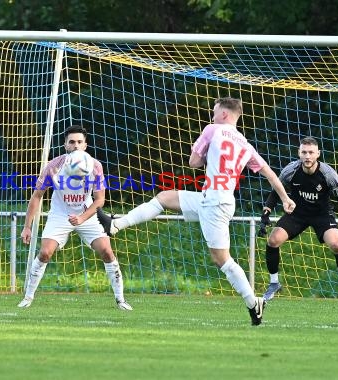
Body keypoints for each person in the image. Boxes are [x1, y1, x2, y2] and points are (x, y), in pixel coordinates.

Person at [99, 97, 296, 325]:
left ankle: (253, 303)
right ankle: (115, 225)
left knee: (222, 259)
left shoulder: (213, 130)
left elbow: (193, 162)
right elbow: (270, 173)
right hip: (212, 199)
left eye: (214, 112)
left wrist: (205, 156)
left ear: (224, 114)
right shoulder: (245, 144)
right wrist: (285, 198)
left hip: (214, 202)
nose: (212, 115)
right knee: (164, 197)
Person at [17, 125, 133, 311]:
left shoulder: (95, 166)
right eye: (72, 142)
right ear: (65, 145)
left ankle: (121, 300)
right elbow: (37, 196)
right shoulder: (54, 166)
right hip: (59, 214)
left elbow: (100, 199)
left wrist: (82, 217)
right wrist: (27, 226)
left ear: (85, 145)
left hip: (86, 214)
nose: (76, 145)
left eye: (80, 142)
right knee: (45, 253)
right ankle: (28, 298)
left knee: (107, 251)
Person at [258, 136, 338, 302]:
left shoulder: (328, 174)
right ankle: (274, 283)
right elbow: (275, 192)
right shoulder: (290, 170)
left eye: (311, 152)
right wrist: (265, 215)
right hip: (297, 214)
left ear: (318, 154)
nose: (307, 156)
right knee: (273, 240)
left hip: (322, 214)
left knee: (336, 244)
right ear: (299, 153)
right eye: (304, 152)